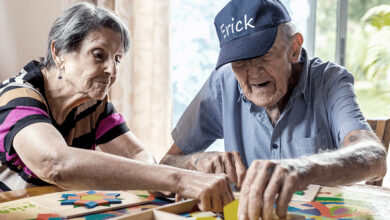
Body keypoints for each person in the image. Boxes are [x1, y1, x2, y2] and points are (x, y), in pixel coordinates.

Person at [160, 0, 387, 219]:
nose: (253, 73)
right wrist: (196, 162)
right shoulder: (222, 84)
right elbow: (167, 163)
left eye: (263, 55)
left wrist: (303, 168)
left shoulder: (330, 80)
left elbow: (374, 156)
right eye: (239, 62)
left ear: (294, 48)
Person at [0, 2, 233, 212]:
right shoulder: (16, 96)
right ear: (58, 52)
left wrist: (180, 182)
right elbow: (54, 163)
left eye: (118, 58)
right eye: (99, 55)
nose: (113, 71)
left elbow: (137, 155)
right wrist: (179, 179)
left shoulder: (94, 106)